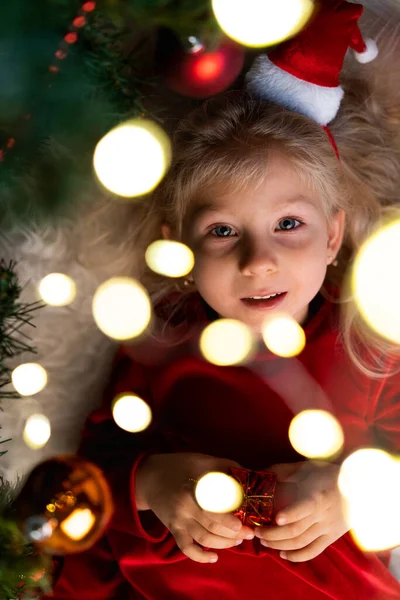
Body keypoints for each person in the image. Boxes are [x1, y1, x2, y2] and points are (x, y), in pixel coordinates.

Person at [43, 2, 400, 598]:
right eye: (223, 231)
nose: (258, 260)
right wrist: (154, 482)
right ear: (178, 247)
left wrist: (348, 495)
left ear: (333, 235)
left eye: (289, 224)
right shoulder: (162, 341)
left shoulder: (369, 343)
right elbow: (93, 467)